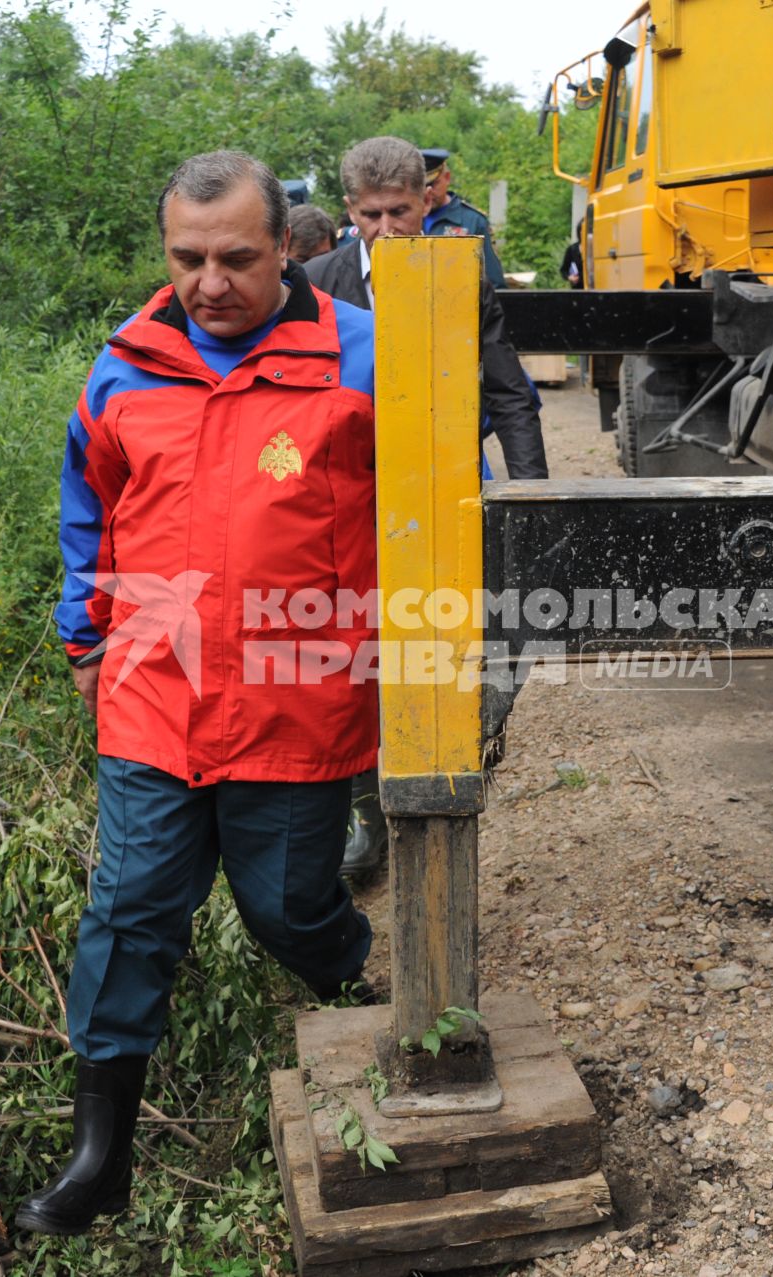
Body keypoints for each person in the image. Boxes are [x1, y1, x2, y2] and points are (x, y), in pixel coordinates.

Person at [24, 150, 376, 1236]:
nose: (210, 282)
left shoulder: (363, 357)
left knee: (284, 905)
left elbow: (451, 499)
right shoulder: (125, 364)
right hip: (154, 688)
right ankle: (101, 1156)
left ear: (291, 248)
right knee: (130, 911)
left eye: (236, 258)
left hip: (297, 687)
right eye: (188, 258)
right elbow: (90, 501)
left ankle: (372, 1008)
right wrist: (85, 632)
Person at [302, 136, 548, 879]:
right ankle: (367, 822)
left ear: (426, 202)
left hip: (443, 479)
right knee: (348, 656)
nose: (386, 228)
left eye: (400, 212)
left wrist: (530, 494)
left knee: (458, 633)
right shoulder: (314, 283)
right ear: (350, 212)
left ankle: (447, 780)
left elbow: (508, 389)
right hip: (346, 495)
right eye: (371, 214)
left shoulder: (461, 274)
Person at [420, 146, 507, 288]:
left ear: (447, 178)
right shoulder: (405, 219)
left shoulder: (472, 221)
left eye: (433, 184)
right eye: (421, 186)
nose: (428, 191)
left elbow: (494, 283)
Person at [561, 221, 585, 289]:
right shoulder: (572, 249)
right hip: (577, 289)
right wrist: (570, 277)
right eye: (582, 230)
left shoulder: (596, 249)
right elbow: (563, 270)